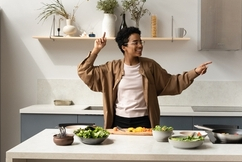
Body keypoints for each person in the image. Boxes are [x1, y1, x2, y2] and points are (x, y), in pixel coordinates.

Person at [77, 27, 212, 129]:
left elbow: (172, 82)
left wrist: (195, 72)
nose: (140, 45)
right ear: (124, 47)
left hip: (145, 122)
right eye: (135, 42)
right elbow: (84, 71)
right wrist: (96, 50)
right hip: (118, 122)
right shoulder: (111, 68)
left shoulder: (150, 66)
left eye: (141, 42)